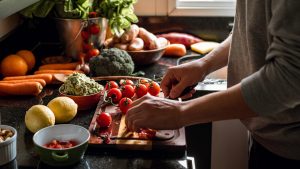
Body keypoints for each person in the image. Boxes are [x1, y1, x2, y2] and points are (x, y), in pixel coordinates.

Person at [125, 0, 300, 168]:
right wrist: (204, 64)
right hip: (268, 135)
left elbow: (288, 79)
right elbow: (249, 29)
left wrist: (180, 112)